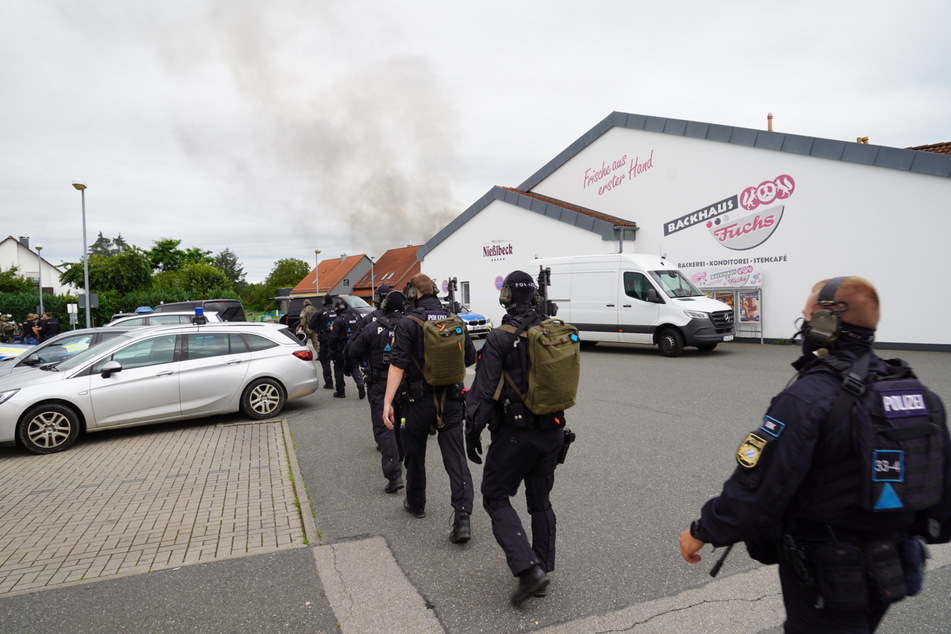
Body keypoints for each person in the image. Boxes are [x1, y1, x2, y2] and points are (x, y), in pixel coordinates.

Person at [679, 276, 951, 633]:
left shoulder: (808, 398)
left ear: (826, 323)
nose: (804, 326)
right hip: (892, 566)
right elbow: (939, 486)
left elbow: (761, 486)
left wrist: (704, 529)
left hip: (827, 573)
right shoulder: (921, 395)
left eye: (807, 317)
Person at [465, 271, 568, 605]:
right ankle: (542, 565)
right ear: (535, 297)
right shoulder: (552, 331)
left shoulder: (499, 338)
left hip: (514, 435)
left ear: (506, 296)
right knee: (540, 501)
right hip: (552, 432)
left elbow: (482, 393)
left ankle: (528, 570)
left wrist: (471, 431)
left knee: (494, 495)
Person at [382, 273, 476, 544]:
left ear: (413, 294)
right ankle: (463, 518)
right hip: (451, 400)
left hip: (417, 401)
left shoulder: (408, 323)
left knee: (415, 454)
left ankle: (416, 503)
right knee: (455, 458)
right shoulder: (455, 320)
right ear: (434, 291)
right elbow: (469, 357)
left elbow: (397, 364)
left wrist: (387, 402)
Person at [347, 290, 406, 493]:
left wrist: (357, 366)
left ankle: (394, 475)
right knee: (400, 424)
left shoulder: (372, 327)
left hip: (379, 383)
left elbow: (353, 351)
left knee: (385, 427)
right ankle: (401, 460)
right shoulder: (411, 326)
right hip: (405, 384)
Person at [330, 298, 366, 399]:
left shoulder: (338, 320)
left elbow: (334, 337)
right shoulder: (356, 317)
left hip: (341, 347)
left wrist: (331, 348)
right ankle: (360, 383)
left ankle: (340, 392)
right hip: (354, 346)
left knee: (338, 369)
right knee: (354, 366)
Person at [309, 295, 338, 390]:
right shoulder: (337, 310)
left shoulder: (320, 312)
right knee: (338, 361)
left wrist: (318, 328)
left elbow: (311, 325)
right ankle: (340, 384)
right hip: (337, 338)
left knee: (325, 361)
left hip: (325, 338)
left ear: (324, 301)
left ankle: (329, 383)